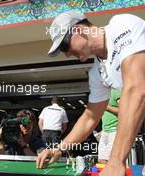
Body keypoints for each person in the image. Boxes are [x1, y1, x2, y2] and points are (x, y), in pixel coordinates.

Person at [36, 11, 145, 176]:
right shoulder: (97, 72)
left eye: (65, 46)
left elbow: (136, 89)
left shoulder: (121, 24)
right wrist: (59, 150)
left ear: (79, 30)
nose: (67, 54)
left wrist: (115, 162)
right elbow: (90, 117)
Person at [98, 89, 121, 164]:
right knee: (101, 159)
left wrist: (106, 107)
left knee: (112, 160)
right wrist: (103, 129)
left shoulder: (115, 91)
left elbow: (124, 110)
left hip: (114, 130)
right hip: (105, 131)